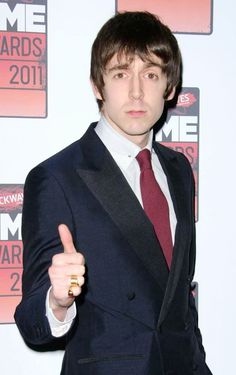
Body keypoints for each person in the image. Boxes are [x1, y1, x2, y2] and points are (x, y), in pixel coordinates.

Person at [15, 11, 212, 375]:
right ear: (97, 84)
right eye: (121, 74)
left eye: (150, 74)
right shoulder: (56, 178)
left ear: (169, 88)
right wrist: (57, 301)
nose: (136, 91)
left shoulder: (178, 170)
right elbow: (31, 322)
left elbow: (178, 300)